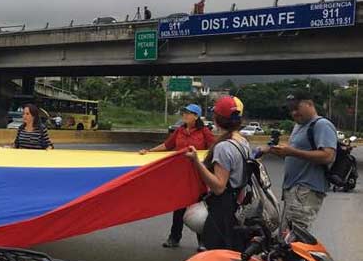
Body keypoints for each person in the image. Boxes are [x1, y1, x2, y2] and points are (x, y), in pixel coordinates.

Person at [259, 91, 336, 233]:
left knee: (294, 238)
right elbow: (296, 157)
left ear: (310, 104)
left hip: (306, 190)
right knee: (286, 237)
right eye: (291, 110)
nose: (294, 113)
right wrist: (278, 152)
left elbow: (328, 156)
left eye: (297, 108)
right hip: (293, 190)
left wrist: (292, 152)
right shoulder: (298, 126)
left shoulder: (321, 124)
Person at [141, 104, 215, 249]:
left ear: (196, 116)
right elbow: (167, 145)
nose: (185, 115)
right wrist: (149, 151)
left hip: (198, 176)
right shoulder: (180, 131)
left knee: (199, 209)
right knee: (179, 208)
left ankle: (203, 241)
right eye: (184, 113)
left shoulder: (204, 132)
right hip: (180, 176)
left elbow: (214, 149)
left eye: (189, 113)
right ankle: (174, 238)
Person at [184, 96, 249, 252]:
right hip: (237, 202)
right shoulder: (242, 141)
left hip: (222, 207)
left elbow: (219, 186)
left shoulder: (224, 147)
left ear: (217, 118)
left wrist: (196, 162)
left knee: (217, 251)